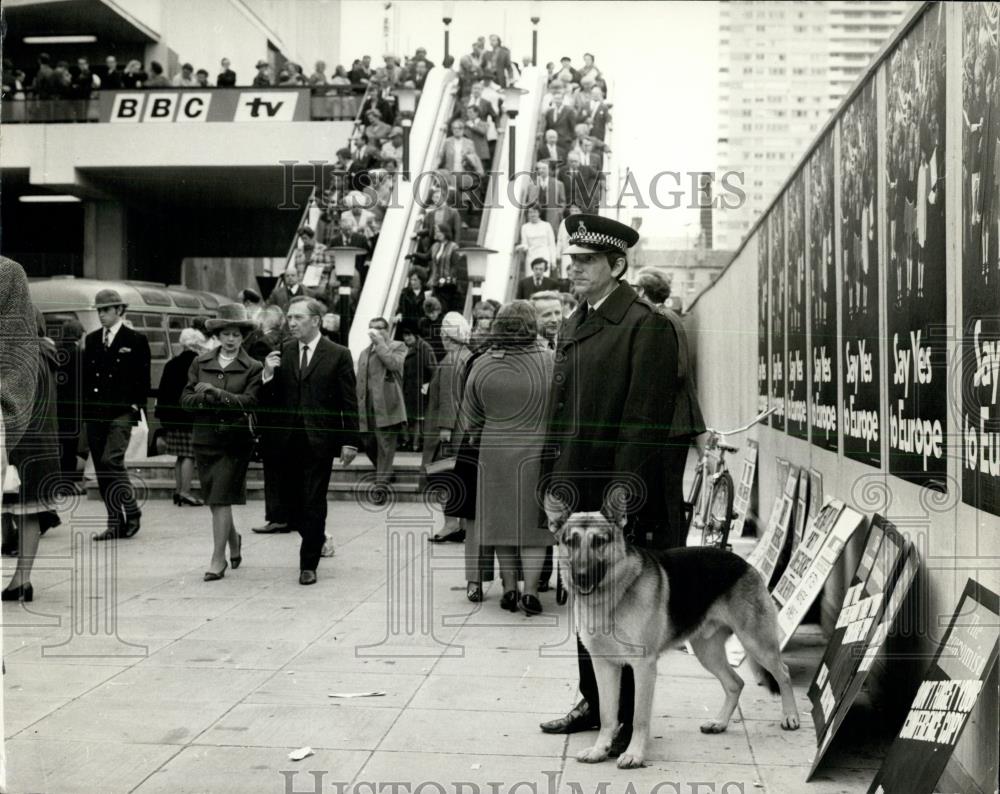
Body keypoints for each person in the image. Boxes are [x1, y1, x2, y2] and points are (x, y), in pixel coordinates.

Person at [538, 215, 681, 759]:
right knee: (585, 603)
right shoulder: (578, 320)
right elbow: (561, 408)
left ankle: (622, 725)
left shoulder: (646, 324)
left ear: (617, 266)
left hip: (616, 498)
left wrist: (622, 498)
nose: (574, 269)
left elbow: (644, 419)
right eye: (572, 260)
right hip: (575, 487)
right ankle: (594, 704)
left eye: (587, 261)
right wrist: (550, 481)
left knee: (624, 612)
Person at [462, 301, 554, 615]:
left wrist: (478, 431)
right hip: (537, 453)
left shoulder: (483, 363)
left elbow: (470, 415)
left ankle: (509, 587)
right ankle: (532, 591)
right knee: (533, 526)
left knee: (501, 522)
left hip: (494, 452)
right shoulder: (551, 362)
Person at [260, 297, 359, 584]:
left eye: (297, 318)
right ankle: (319, 536)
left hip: (319, 441)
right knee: (290, 503)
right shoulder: (284, 351)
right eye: (289, 318)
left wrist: (350, 440)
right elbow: (272, 399)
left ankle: (308, 564)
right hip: (287, 441)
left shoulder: (338, 354)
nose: (290, 323)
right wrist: (267, 374)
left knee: (313, 500)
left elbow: (349, 401)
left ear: (315, 320)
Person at [181, 305, 262, 580]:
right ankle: (234, 540)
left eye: (236, 334)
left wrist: (218, 393)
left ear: (243, 337)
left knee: (221, 497)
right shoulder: (200, 362)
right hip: (205, 439)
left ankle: (218, 559)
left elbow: (250, 402)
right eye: (226, 334)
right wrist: (204, 397)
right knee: (216, 500)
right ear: (217, 334)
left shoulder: (253, 367)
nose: (231, 339)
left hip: (235, 441)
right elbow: (186, 400)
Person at [635, 268, 706, 544]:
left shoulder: (658, 320)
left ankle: (674, 552)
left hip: (670, 422)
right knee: (669, 493)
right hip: (678, 420)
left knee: (667, 495)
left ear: (642, 291)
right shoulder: (669, 317)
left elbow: (672, 371)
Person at [82, 289, 151, 541]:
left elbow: (143, 377)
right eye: (99, 310)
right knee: (102, 468)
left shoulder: (135, 339)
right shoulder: (91, 340)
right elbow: (86, 379)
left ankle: (131, 511)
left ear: (119, 310)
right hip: (96, 413)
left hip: (122, 410)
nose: (101, 315)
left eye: (106, 310)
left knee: (112, 460)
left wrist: (136, 407)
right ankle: (114, 522)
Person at [2, 309, 61, 603]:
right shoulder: (44, 356)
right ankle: (22, 580)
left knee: (21, 513)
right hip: (42, 448)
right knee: (28, 515)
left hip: (18, 448)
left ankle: (20, 580)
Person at [423, 311, 473, 543]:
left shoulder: (451, 360)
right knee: (458, 478)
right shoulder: (466, 355)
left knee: (444, 476)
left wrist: (444, 428)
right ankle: (459, 523)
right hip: (463, 428)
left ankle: (450, 524)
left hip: (449, 431)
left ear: (446, 335)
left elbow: (448, 398)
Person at [156, 327, 207, 507]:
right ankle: (185, 492)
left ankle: (178, 491)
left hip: (172, 416)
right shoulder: (198, 364)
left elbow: (163, 392)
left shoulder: (171, 363)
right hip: (189, 415)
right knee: (189, 455)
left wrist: (162, 416)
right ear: (196, 344)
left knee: (180, 455)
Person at [356, 317, 406, 491]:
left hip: (387, 406)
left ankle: (381, 486)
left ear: (387, 330)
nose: (375, 332)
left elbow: (394, 364)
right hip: (367, 407)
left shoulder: (397, 347)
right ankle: (384, 472)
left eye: (379, 328)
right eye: (372, 328)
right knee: (368, 442)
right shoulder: (364, 353)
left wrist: (380, 344)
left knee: (385, 445)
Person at [399, 320, 436, 452]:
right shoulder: (405, 348)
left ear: (415, 335)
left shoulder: (424, 348)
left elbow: (433, 369)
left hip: (419, 389)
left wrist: (428, 385)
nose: (406, 338)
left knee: (418, 418)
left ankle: (415, 444)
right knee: (411, 417)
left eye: (409, 335)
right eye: (404, 335)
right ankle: (409, 442)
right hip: (408, 389)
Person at [427, 222, 469, 314]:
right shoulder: (435, 246)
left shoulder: (453, 246)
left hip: (447, 284)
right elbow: (428, 257)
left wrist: (446, 280)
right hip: (436, 283)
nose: (436, 233)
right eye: (435, 231)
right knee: (434, 307)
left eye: (438, 231)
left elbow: (455, 266)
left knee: (443, 306)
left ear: (444, 233)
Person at [527, 161, 567, 235]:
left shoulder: (558, 184)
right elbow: (529, 201)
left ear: (549, 170)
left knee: (551, 235)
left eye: (544, 168)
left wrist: (558, 212)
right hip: (536, 215)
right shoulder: (532, 184)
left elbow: (563, 201)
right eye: (539, 168)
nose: (541, 170)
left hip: (551, 216)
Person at [518, 205, 558, 273]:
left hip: (544, 257)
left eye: (535, 212)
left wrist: (553, 261)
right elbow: (525, 244)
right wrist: (520, 247)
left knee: (544, 281)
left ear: (539, 213)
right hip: (531, 258)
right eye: (530, 212)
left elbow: (552, 245)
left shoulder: (546, 225)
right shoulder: (525, 227)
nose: (532, 214)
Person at [395, 267, 429, 335]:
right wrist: (399, 314)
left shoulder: (428, 292)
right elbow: (400, 307)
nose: (412, 282)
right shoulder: (405, 292)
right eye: (411, 279)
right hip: (407, 326)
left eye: (415, 280)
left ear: (421, 280)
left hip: (421, 328)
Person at [419, 296, 446, 362]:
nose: (431, 315)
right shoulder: (423, 322)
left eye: (433, 312)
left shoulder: (444, 321)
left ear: (438, 310)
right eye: (429, 313)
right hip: (426, 356)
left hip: (441, 356)